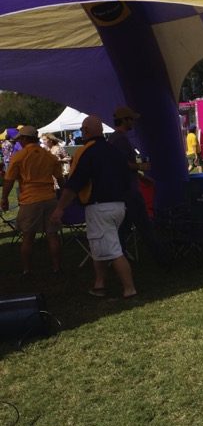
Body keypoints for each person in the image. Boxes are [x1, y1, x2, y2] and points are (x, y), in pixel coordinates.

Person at [50, 115, 136, 299]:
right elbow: (128, 177)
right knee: (99, 246)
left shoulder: (87, 153)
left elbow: (75, 183)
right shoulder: (114, 151)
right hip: (119, 206)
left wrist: (60, 208)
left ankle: (129, 288)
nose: (82, 132)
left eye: (82, 129)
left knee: (114, 250)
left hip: (100, 208)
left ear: (87, 131)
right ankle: (99, 284)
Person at [1, 125, 63, 274]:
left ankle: (27, 269)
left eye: (20, 139)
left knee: (28, 237)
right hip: (49, 198)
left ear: (25, 138)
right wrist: (60, 198)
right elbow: (61, 180)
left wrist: (4, 198)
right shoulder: (49, 156)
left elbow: (9, 180)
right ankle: (56, 267)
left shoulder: (19, 156)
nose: (19, 142)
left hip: (30, 200)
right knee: (52, 235)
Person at [109, 106, 166, 263]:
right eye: (131, 119)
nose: (133, 122)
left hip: (123, 190)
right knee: (144, 226)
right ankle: (161, 258)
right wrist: (141, 167)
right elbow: (122, 164)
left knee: (123, 228)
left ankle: (119, 257)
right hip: (129, 191)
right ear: (125, 120)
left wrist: (141, 176)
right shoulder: (120, 139)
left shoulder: (115, 138)